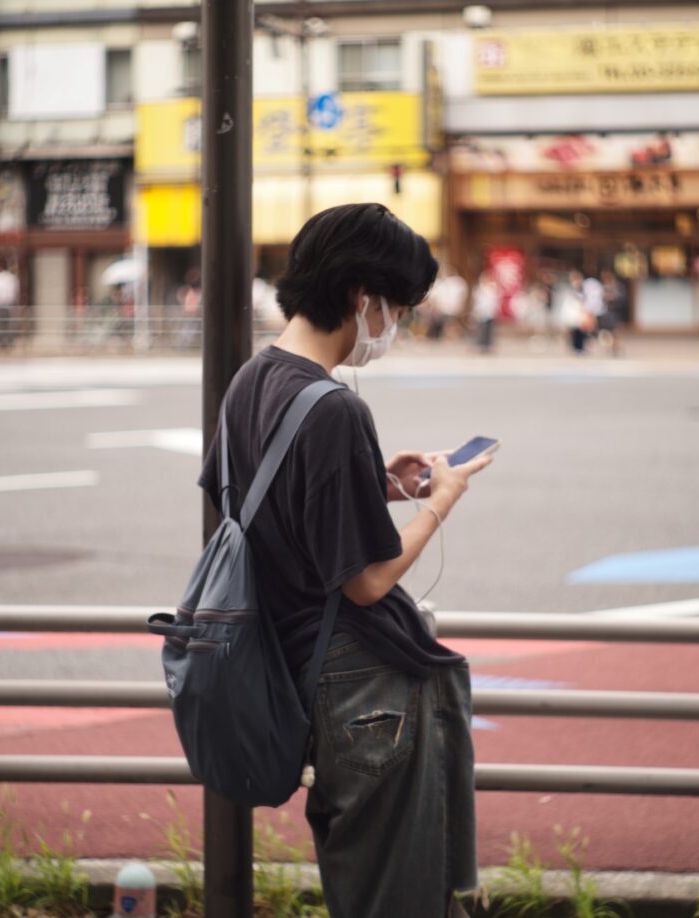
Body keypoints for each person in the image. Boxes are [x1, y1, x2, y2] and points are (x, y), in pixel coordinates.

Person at [198, 203, 489, 918]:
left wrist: (376, 483)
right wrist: (438, 502)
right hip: (360, 689)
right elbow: (366, 582)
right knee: (398, 896)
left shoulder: (250, 380)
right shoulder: (333, 408)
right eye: (399, 310)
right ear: (363, 298)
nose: (396, 327)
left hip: (291, 661)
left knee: (365, 887)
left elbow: (257, 510)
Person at [557, 271, 589, 354]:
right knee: (575, 330)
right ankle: (576, 346)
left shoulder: (580, 287)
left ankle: (579, 346)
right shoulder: (572, 288)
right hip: (573, 311)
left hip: (578, 310)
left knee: (580, 330)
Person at [598, 268, 625, 356]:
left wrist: (611, 298)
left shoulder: (617, 286)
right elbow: (601, 299)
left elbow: (620, 298)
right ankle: (612, 346)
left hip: (615, 312)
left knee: (615, 331)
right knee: (607, 332)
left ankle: (617, 347)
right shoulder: (604, 287)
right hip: (606, 312)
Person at [471, 270, 499, 354]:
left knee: (488, 330)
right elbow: (477, 301)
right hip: (482, 311)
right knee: (482, 329)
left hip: (489, 312)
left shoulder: (492, 288)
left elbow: (494, 301)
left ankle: (488, 345)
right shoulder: (480, 289)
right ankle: (481, 345)